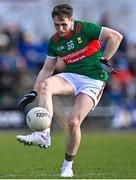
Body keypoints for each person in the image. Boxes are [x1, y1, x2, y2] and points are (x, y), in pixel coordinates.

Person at [16, 4, 123, 177]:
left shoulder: (84, 28)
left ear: (71, 21)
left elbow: (116, 37)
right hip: (72, 76)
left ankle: (67, 165)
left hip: (93, 80)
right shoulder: (54, 41)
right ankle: (43, 134)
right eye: (57, 24)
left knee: (73, 123)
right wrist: (34, 92)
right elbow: (46, 70)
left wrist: (105, 58)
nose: (60, 28)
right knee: (46, 86)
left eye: (64, 24)